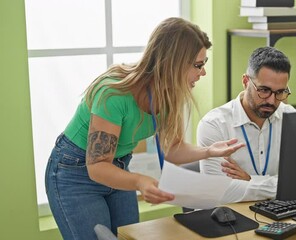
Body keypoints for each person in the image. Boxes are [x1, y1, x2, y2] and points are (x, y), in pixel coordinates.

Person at [45, 17, 244, 240]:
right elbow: (98, 166)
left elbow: (172, 149)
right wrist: (140, 181)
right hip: (75, 171)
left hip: (118, 166)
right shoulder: (114, 93)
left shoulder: (171, 93)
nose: (203, 73)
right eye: (198, 65)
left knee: (129, 236)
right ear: (173, 62)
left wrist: (207, 151)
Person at [197, 46, 294, 203]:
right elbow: (218, 191)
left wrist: (250, 180)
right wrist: (275, 185)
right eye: (264, 90)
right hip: (231, 220)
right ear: (245, 81)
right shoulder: (214, 124)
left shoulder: (289, 117)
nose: (271, 100)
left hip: (277, 214)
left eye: (279, 92)